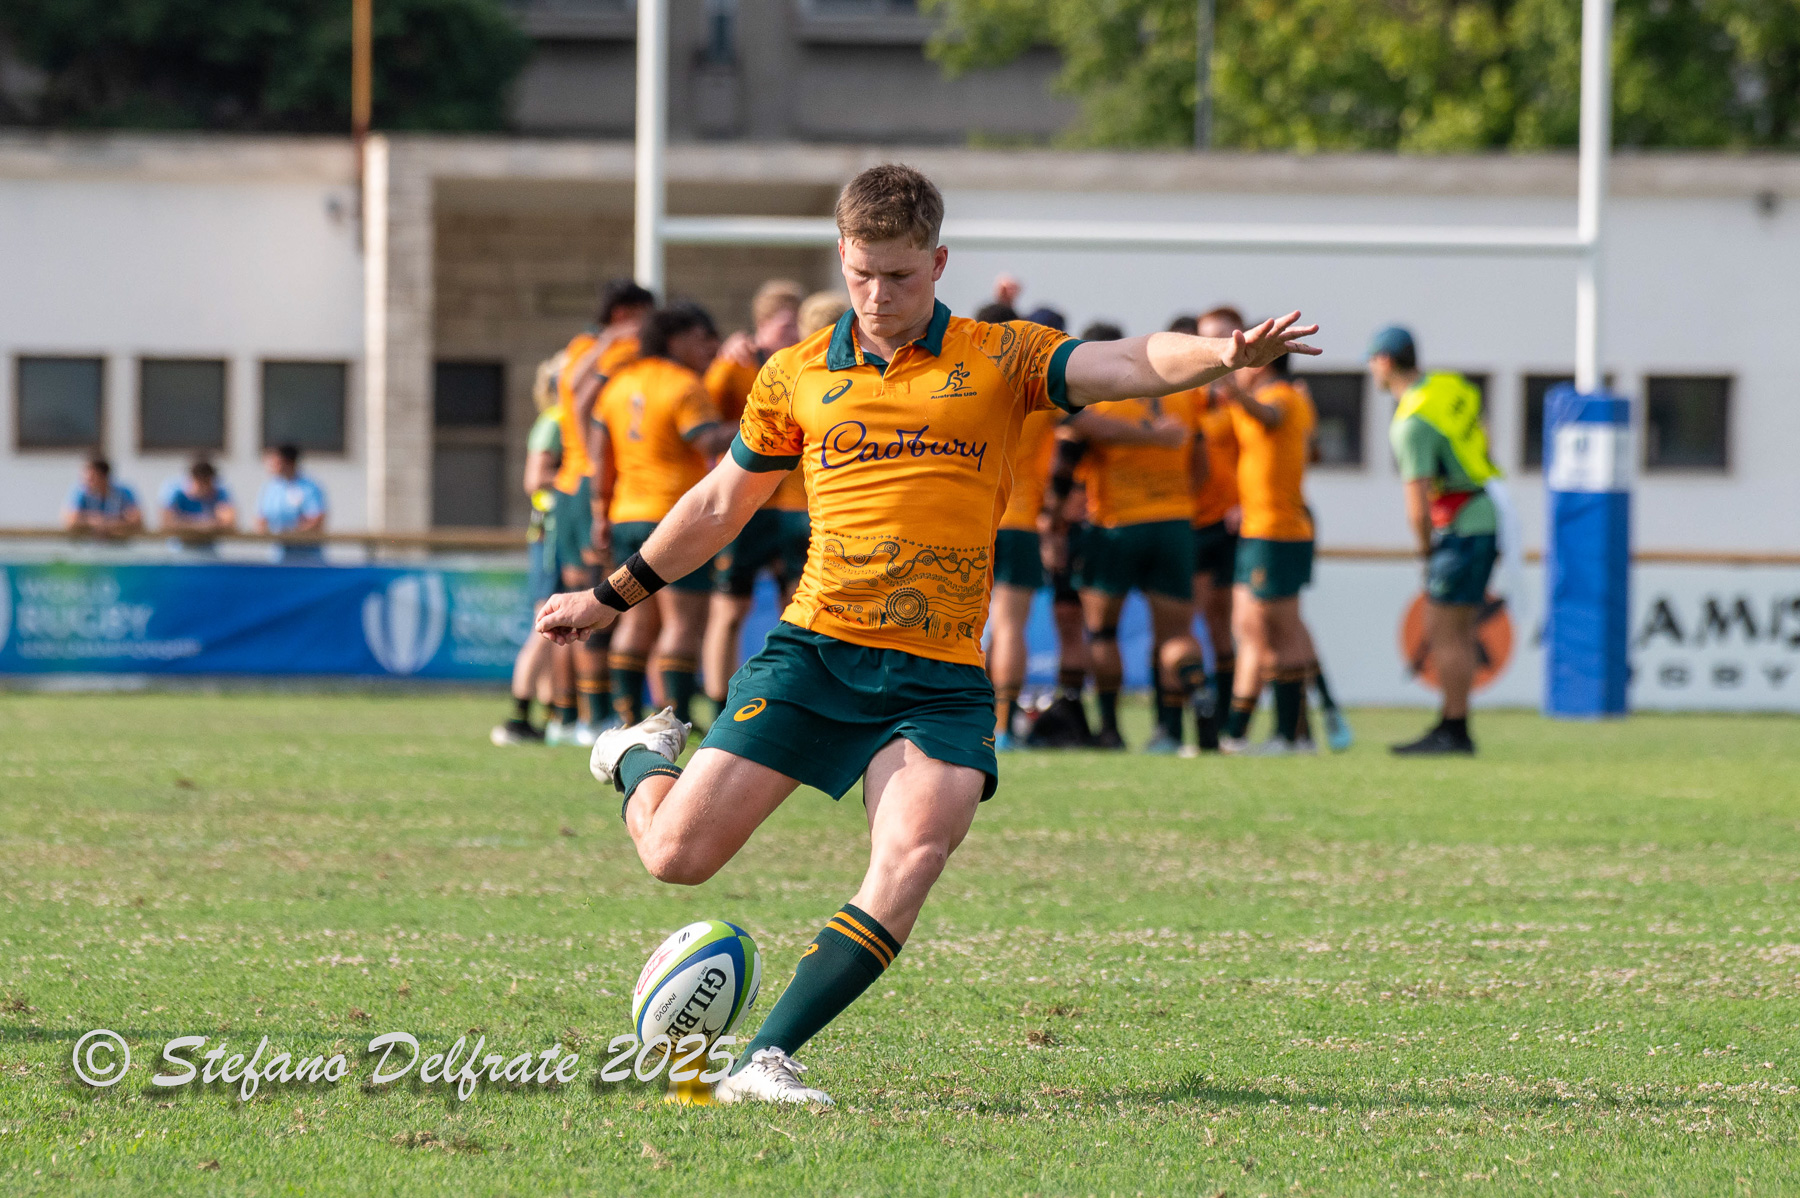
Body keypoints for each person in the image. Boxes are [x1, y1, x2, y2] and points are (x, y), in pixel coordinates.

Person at [536, 163, 1317, 1106]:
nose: (878, 295)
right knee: (677, 859)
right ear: (842, 255)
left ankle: (766, 1059)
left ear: (938, 263)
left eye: (900, 276)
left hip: (940, 675)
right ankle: (634, 756)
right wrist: (609, 596)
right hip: (815, 653)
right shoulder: (796, 373)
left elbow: (1124, 363)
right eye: (862, 273)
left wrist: (1223, 354)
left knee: (911, 858)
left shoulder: (999, 356)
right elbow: (716, 505)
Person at [1059, 322, 1209, 753]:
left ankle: (1109, 729)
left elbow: (1076, 434)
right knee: (1176, 634)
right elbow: (1202, 465)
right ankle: (1180, 724)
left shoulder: (1097, 393)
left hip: (1116, 524)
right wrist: (1179, 499)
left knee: (1103, 632)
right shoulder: (1186, 393)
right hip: (1174, 522)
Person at [594, 303, 734, 728]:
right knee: (683, 621)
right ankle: (676, 719)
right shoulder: (683, 384)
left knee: (636, 619)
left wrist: (599, 512)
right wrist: (758, 420)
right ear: (675, 339)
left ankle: (626, 719)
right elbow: (707, 441)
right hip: (673, 517)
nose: (709, 347)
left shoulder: (618, 384)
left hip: (626, 513)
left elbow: (601, 456)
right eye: (701, 338)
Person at [1370, 325, 1502, 755]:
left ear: (1385, 362)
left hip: (1460, 526)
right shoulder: (1447, 384)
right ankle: (1453, 725)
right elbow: (1483, 432)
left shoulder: (1410, 420)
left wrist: (1425, 550)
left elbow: (1417, 504)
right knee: (1457, 631)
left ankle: (1454, 728)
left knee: (1445, 633)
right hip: (1485, 511)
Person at [549, 280, 656, 745]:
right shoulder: (608, 347)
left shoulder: (591, 347)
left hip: (584, 483)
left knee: (594, 599)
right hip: (589, 484)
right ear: (625, 312)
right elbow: (578, 396)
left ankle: (578, 714)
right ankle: (592, 715)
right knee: (594, 598)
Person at [701, 280, 810, 717]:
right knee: (729, 608)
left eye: (797, 324)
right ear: (761, 325)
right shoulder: (735, 366)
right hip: (749, 507)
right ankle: (718, 705)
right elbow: (704, 424)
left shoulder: (808, 364)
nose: (792, 333)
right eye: (784, 325)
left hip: (797, 507)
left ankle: (789, 703)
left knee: (797, 612)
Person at [1219, 350, 1327, 754]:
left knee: (1281, 631)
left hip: (1278, 532)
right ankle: (1253, 733)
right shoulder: (1288, 397)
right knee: (1256, 629)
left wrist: (1234, 392)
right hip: (1259, 529)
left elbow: (1270, 417)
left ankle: (1290, 736)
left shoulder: (1283, 396)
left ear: (1263, 364)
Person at [494, 356, 570, 746]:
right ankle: (517, 715)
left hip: (552, 532)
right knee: (546, 624)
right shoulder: (555, 420)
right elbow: (535, 478)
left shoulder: (561, 419)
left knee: (552, 624)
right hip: (551, 534)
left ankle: (546, 714)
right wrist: (578, 479)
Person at [1185, 309, 1244, 752]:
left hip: (1225, 522)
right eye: (1207, 337)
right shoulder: (1185, 395)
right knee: (1184, 625)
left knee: (1222, 625)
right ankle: (1176, 726)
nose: (1216, 344)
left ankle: (1224, 723)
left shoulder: (1239, 400)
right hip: (1187, 521)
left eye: (1224, 335)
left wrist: (1243, 501)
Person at [255, 445, 326, 560]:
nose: (271, 465)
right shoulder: (270, 488)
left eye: (276, 462)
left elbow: (316, 520)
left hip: (306, 557)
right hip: (278, 556)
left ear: (289, 462)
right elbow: (261, 520)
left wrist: (291, 534)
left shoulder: (309, 488)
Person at [159, 459, 236, 553]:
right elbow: (167, 523)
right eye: (201, 483)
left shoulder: (219, 491)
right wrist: (204, 525)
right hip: (180, 550)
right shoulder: (174, 490)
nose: (205, 488)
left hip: (209, 551)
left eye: (207, 483)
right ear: (192, 480)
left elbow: (229, 522)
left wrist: (184, 523)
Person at [64, 458, 142, 538]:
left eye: (92, 478)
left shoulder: (124, 492)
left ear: (104, 477)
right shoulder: (81, 492)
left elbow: (137, 520)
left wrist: (106, 524)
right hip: (90, 542)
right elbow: (70, 520)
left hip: (119, 542)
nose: (86, 482)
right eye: (85, 478)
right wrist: (93, 521)